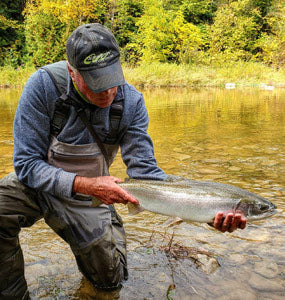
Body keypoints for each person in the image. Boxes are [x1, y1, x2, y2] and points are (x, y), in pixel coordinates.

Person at [0, 23, 246, 299]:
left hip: (90, 198)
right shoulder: (44, 86)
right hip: (38, 185)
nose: (107, 92)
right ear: (72, 72)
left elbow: (145, 174)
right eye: (96, 84)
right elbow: (26, 165)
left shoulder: (131, 103)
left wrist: (205, 212)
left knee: (110, 283)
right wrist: (86, 184)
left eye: (112, 79)